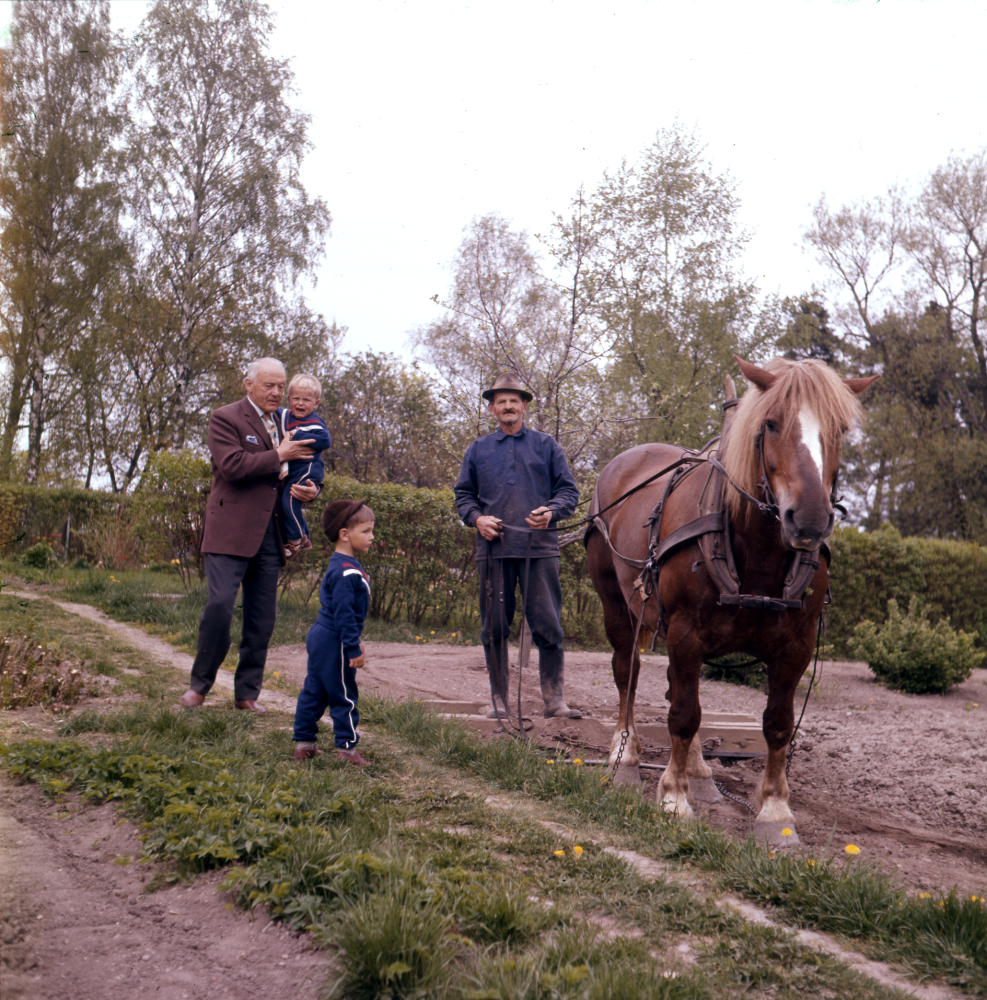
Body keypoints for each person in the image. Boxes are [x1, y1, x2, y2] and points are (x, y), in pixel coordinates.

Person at [178, 358, 320, 713]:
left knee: (261, 619)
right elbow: (233, 466)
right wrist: (278, 454)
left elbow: (306, 465)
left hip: (270, 537)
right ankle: (199, 686)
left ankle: (246, 695)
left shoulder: (290, 421)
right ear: (248, 385)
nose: (276, 392)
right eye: (268, 385)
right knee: (220, 607)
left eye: (280, 386)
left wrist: (312, 487)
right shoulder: (225, 417)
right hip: (229, 532)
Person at [453, 372, 582, 720]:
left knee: (549, 626)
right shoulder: (477, 450)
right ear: (492, 408)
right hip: (493, 551)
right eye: (501, 401)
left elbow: (569, 492)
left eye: (514, 400)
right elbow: (463, 496)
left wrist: (551, 511)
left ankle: (554, 701)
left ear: (524, 406)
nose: (508, 406)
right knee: (494, 628)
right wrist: (478, 519)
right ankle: (499, 700)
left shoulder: (547, 445)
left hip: (539, 550)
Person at [293, 498, 374, 766]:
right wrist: (352, 646)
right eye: (366, 531)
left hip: (322, 636)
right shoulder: (346, 572)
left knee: (314, 691)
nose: (372, 537)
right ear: (344, 534)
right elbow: (344, 614)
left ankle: (304, 745)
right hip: (334, 639)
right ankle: (347, 750)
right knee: (344, 693)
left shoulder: (340, 564)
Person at [278, 373, 332, 559]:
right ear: (289, 399)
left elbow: (325, 440)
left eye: (306, 400)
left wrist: (297, 437)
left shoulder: (314, 422)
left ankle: (295, 539)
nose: (300, 403)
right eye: (296, 399)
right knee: (290, 500)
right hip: (294, 470)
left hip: (308, 469)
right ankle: (304, 536)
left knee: (289, 500)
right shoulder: (284, 414)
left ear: (316, 403)